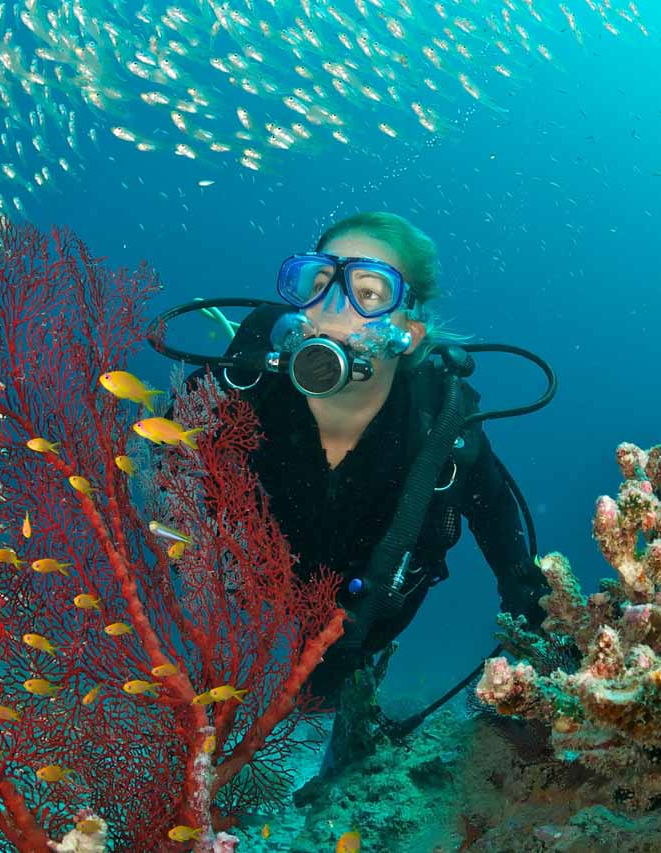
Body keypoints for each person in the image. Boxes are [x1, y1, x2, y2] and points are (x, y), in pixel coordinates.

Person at [175, 211, 553, 708]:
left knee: (334, 691)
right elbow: (167, 470)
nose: (333, 306)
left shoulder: (438, 423)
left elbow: (501, 527)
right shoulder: (244, 383)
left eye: (368, 293)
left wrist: (539, 630)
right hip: (248, 601)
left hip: (372, 612)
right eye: (321, 281)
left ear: (408, 333)